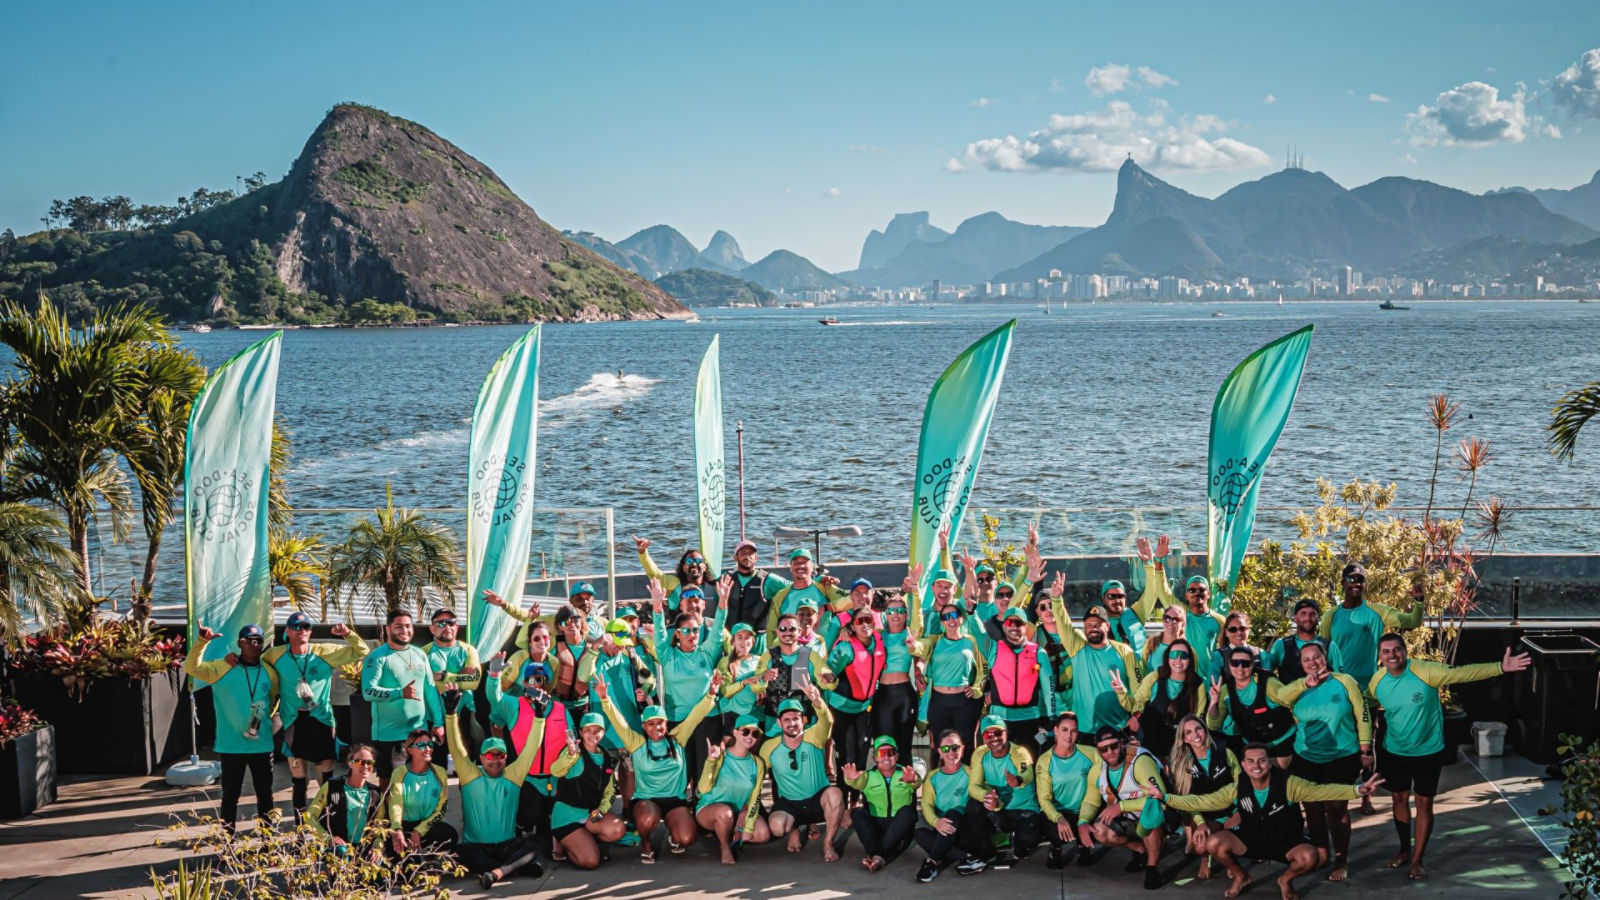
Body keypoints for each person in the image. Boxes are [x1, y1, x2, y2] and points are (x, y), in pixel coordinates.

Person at [1369, 636, 1531, 880]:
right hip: (1395, 751)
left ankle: (1417, 859)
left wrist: (1500, 667)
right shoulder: (1377, 681)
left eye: (1397, 650)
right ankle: (1404, 850)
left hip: (1428, 752)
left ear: (1405, 651)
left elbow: (1463, 673)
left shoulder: (1426, 671)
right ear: (1380, 656)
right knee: (1398, 800)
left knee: (1423, 804)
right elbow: (1362, 700)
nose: (1392, 655)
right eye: (1385, 651)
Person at [1153, 743, 1384, 900]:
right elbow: (1202, 801)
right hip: (1250, 840)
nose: (1256, 765)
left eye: (1262, 760)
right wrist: (1165, 797)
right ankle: (1242, 876)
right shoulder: (1236, 788)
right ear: (1243, 765)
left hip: (1285, 841)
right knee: (1213, 844)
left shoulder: (1289, 784)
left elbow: (1321, 791)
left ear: (1269, 763)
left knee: (1311, 857)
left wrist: (1357, 790)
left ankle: (1286, 879)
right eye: (1251, 761)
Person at [595, 667, 719, 863]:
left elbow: (695, 715)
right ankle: (646, 843)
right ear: (644, 726)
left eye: (660, 723)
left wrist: (711, 694)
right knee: (646, 819)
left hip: (675, 799)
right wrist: (605, 699)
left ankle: (673, 833)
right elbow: (619, 723)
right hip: (646, 799)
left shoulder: (678, 738)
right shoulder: (637, 743)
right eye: (651, 724)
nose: (656, 728)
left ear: (666, 724)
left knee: (687, 838)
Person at [1276, 642, 1371, 882]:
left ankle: (1341, 858)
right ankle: (1321, 853)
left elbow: (1363, 713)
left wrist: (1365, 747)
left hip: (1342, 755)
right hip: (1307, 757)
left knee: (1335, 808)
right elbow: (1280, 697)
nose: (1312, 663)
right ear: (1301, 664)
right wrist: (1304, 684)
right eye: (1306, 659)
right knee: (1313, 809)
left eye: (1316, 657)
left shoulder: (1344, 681)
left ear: (1325, 658)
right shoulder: (1299, 688)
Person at [262, 613, 368, 821]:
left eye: (306, 626)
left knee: (326, 779)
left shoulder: (324, 652)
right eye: (297, 626)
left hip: (321, 720)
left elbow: (361, 651)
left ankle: (330, 827)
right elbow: (258, 665)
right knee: (299, 780)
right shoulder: (275, 655)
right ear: (288, 631)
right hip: (293, 722)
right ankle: (301, 831)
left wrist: (348, 634)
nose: (302, 630)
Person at [443, 694, 546, 889]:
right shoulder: (469, 774)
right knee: (458, 854)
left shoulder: (512, 775)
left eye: (500, 755)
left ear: (506, 758)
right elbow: (457, 749)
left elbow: (532, 748)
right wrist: (451, 714)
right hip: (476, 848)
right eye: (490, 755)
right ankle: (513, 868)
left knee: (538, 843)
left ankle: (497, 873)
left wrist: (539, 716)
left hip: (506, 846)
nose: (495, 759)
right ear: (481, 758)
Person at [186, 624, 280, 831]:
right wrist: (202, 642)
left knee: (265, 795)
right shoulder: (223, 667)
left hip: (261, 746)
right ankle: (227, 845)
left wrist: (263, 720)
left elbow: (274, 699)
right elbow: (191, 668)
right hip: (231, 746)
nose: (253, 645)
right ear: (239, 643)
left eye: (258, 641)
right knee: (230, 797)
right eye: (248, 640)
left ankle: (268, 842)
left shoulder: (269, 672)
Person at [647, 576, 728, 779]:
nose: (692, 634)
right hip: (678, 719)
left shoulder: (707, 653)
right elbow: (659, 634)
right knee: (683, 769)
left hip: (707, 719)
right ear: (677, 634)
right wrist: (657, 606)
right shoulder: (668, 656)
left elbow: (717, 631)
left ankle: (703, 806)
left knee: (706, 769)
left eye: (695, 630)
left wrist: (723, 602)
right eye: (686, 630)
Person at [485, 659, 569, 843]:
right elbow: (494, 696)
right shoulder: (514, 705)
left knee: (548, 836)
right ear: (524, 683)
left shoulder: (561, 709)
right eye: (532, 680)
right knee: (529, 814)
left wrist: (572, 754)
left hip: (555, 780)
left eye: (542, 680)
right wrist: (493, 675)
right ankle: (519, 827)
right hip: (527, 779)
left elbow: (573, 741)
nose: (537, 684)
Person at [1046, 576, 1142, 737]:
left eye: (1098, 624)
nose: (1093, 628)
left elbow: (1138, 689)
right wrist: (1056, 599)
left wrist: (1136, 715)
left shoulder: (1125, 651)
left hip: (1119, 729)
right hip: (1085, 730)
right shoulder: (1078, 648)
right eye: (1089, 625)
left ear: (1107, 626)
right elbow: (1064, 625)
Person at [759, 685, 846, 861]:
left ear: (803, 720)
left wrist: (817, 701)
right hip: (791, 804)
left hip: (816, 800)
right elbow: (756, 774)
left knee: (835, 794)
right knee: (776, 826)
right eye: (787, 719)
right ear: (779, 723)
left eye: (796, 719)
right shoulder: (769, 747)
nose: (792, 723)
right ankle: (795, 830)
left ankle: (828, 843)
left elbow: (827, 722)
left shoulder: (813, 736)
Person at [362, 610, 443, 789]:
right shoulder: (377, 657)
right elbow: (368, 692)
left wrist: (438, 722)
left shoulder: (419, 653)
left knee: (419, 782)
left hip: (418, 733)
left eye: (408, 626)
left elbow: (430, 690)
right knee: (390, 786)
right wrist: (399, 693)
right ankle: (388, 817)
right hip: (389, 736)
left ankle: (415, 817)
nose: (404, 630)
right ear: (388, 628)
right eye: (398, 626)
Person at [955, 715, 1044, 874]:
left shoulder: (1019, 752)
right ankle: (987, 851)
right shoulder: (980, 753)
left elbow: (1027, 772)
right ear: (983, 737)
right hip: (998, 808)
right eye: (988, 735)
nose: (994, 738)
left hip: (1022, 809)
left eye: (998, 732)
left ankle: (1015, 837)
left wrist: (1017, 780)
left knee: (1027, 844)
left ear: (1006, 732)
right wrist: (987, 797)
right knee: (973, 807)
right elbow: (974, 786)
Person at [1086, 726, 1167, 890]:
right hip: (1130, 818)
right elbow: (1090, 801)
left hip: (1160, 814)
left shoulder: (1140, 760)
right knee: (1099, 830)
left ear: (1122, 743)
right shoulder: (1097, 770)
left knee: (1148, 817)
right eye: (1103, 749)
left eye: (1114, 746)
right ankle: (1140, 849)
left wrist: (1121, 806)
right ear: (1098, 750)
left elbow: (1159, 796)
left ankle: (1152, 869)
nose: (1109, 752)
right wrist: (1081, 821)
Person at [1319, 562, 1425, 686]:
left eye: (1360, 579)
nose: (1356, 583)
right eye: (1351, 579)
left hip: (1368, 688)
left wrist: (1419, 601)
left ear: (1365, 584)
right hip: (1340, 687)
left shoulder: (1378, 612)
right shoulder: (1330, 616)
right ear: (1343, 583)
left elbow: (1413, 621)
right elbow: (1323, 652)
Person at [548, 713, 627, 869]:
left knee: (618, 829)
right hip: (567, 819)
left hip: (589, 816)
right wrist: (570, 755)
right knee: (590, 862)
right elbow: (555, 771)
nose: (593, 734)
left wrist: (602, 810)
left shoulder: (605, 757)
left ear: (603, 732)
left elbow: (610, 792)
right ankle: (563, 842)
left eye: (597, 730)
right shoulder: (573, 753)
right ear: (581, 732)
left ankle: (587, 840)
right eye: (588, 730)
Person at [1164, 715, 1239, 880]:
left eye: (1198, 728)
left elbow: (1241, 786)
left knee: (1236, 836)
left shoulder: (1224, 752)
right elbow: (1186, 800)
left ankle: (1231, 861)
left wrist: (1239, 813)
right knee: (1199, 846)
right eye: (1188, 732)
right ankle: (1205, 858)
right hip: (1206, 814)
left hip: (1232, 810)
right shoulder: (1183, 764)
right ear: (1184, 739)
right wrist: (1200, 823)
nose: (1195, 734)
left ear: (1205, 730)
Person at [825, 606, 887, 801]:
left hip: (863, 708)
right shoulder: (845, 647)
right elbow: (828, 673)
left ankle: (855, 800)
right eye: (860, 621)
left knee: (861, 754)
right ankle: (843, 800)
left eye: (868, 620)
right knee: (847, 756)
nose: (865, 624)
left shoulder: (879, 641)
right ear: (852, 625)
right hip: (841, 708)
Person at [915, 601, 987, 764]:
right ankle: (934, 784)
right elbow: (919, 647)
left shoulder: (972, 641)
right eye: (946, 617)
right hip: (939, 702)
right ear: (941, 622)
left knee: (966, 745)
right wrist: (913, 644)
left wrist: (976, 689)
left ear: (961, 618)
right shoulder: (935, 640)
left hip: (964, 702)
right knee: (938, 746)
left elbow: (984, 670)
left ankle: (969, 784)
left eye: (954, 615)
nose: (950, 620)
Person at [696, 714, 773, 864]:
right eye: (745, 731)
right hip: (710, 809)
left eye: (755, 733)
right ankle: (725, 847)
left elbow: (755, 797)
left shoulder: (758, 763)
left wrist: (747, 826)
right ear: (735, 732)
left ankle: (734, 835)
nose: (750, 736)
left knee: (762, 834)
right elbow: (703, 788)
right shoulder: (720, 756)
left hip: (738, 812)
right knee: (725, 812)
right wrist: (711, 761)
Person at [1111, 637, 1202, 758]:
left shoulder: (1197, 685)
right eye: (1174, 655)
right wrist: (1121, 692)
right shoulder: (1154, 677)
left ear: (1190, 659)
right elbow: (1135, 705)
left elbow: (1199, 719)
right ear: (1167, 658)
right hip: (1150, 742)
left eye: (1184, 655)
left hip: (1179, 747)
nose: (1178, 659)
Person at [984, 607, 1057, 756]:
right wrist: (971, 613)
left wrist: (1052, 716)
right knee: (1001, 760)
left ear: (1025, 627)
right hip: (1000, 719)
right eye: (1010, 622)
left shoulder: (1038, 652)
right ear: (1004, 626)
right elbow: (977, 632)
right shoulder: (994, 649)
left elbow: (1049, 687)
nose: (1014, 627)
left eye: (1019, 623)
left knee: (1030, 761)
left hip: (1029, 719)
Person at [843, 736, 922, 872]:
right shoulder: (867, 776)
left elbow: (916, 782)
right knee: (857, 812)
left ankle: (875, 854)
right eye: (881, 753)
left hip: (900, 831)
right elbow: (856, 782)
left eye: (890, 753)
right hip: (876, 829)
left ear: (896, 756)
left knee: (908, 813)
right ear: (875, 758)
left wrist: (912, 780)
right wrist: (850, 779)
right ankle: (879, 856)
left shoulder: (906, 773)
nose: (886, 757)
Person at [1208, 645, 1297, 764]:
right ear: (1229, 665)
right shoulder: (1224, 691)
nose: (1240, 667)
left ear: (1252, 665)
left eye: (1245, 663)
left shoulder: (1268, 683)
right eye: (1235, 662)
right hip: (1254, 745)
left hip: (1281, 740)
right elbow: (1213, 725)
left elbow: (1289, 699)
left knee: (1280, 773)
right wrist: (1213, 702)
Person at [577, 617, 655, 753]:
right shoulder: (593, 656)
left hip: (630, 726)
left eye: (623, 643)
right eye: (617, 643)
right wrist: (595, 646)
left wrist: (645, 690)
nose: (620, 647)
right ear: (606, 638)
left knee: (631, 771)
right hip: (603, 730)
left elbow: (650, 678)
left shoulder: (629, 654)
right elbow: (583, 677)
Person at [1035, 713, 1101, 869]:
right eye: (1064, 730)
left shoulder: (1091, 753)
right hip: (1060, 813)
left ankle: (1082, 845)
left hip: (1085, 811)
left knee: (1101, 831)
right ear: (1056, 730)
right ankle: (1055, 847)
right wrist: (1058, 818)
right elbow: (1043, 799)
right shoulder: (1045, 760)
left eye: (1074, 731)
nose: (1069, 735)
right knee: (1050, 831)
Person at [419, 608, 480, 774]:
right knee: (436, 769)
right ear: (432, 628)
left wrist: (445, 676)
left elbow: (473, 682)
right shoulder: (423, 653)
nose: (447, 626)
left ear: (457, 627)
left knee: (467, 769)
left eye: (451, 622)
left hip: (463, 717)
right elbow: (425, 686)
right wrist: (461, 675)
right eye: (441, 623)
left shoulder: (468, 650)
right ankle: (441, 801)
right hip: (434, 719)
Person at [384, 728, 457, 857]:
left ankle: (428, 858)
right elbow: (396, 804)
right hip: (404, 825)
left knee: (449, 835)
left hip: (427, 826)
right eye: (422, 745)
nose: (428, 749)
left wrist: (419, 831)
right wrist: (397, 829)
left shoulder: (440, 772)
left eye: (430, 744)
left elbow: (441, 809)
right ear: (410, 749)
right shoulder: (399, 773)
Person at [913, 729, 974, 883]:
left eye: (955, 747)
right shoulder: (932, 777)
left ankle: (932, 862)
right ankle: (965, 857)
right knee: (919, 833)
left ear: (962, 749)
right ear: (939, 751)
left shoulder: (971, 773)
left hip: (964, 830)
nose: (951, 752)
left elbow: (981, 795)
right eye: (946, 748)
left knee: (953, 813)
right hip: (942, 830)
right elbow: (926, 805)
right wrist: (936, 822)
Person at [875, 577, 925, 761]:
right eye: (891, 611)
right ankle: (886, 787)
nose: (896, 615)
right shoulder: (878, 635)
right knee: (884, 746)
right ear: (885, 614)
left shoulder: (910, 632)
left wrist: (915, 590)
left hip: (904, 694)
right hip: (883, 695)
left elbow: (918, 614)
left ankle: (908, 788)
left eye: (900, 611)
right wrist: (846, 630)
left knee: (904, 746)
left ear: (906, 614)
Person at [308, 742, 385, 855]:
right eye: (360, 762)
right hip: (338, 848)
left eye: (369, 762)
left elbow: (381, 825)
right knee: (342, 853)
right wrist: (327, 838)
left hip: (364, 848)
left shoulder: (376, 793)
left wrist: (377, 848)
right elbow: (310, 816)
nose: (365, 766)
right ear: (350, 763)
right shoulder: (331, 786)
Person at [761, 611, 834, 726]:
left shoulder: (811, 655)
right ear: (777, 631)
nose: (787, 632)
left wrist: (830, 680)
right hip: (775, 720)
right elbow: (756, 687)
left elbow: (828, 682)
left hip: (803, 719)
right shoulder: (768, 656)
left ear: (799, 632)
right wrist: (762, 678)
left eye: (792, 629)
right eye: (783, 629)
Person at [764, 548, 848, 643]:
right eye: (796, 563)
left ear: (812, 566)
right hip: (789, 651)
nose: (801, 566)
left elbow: (853, 599)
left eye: (805, 562)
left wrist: (828, 607)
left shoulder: (825, 587)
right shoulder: (781, 595)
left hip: (821, 650)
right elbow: (772, 630)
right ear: (790, 568)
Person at [726, 539, 789, 643]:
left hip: (758, 640)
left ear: (756, 558)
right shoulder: (727, 579)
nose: (747, 557)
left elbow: (795, 587)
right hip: (732, 639)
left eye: (751, 553)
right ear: (735, 557)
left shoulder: (767, 580)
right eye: (743, 553)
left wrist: (818, 581)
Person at [1264, 599, 1343, 682]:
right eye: (1303, 614)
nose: (1308, 618)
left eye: (1312, 614)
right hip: (1291, 694)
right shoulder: (1282, 645)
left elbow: (1340, 679)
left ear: (1317, 618)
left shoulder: (1330, 646)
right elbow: (1266, 675)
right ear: (1295, 618)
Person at [634, 536, 713, 612]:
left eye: (698, 561)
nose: (694, 564)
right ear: (684, 567)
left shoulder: (714, 586)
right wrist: (642, 552)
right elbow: (654, 573)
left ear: (704, 567)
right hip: (678, 622)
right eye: (689, 561)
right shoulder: (674, 583)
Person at [716, 623, 768, 734]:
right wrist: (744, 683)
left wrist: (763, 690)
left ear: (753, 641)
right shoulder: (725, 662)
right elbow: (725, 692)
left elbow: (764, 683)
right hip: (733, 713)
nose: (744, 641)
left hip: (755, 712)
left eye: (747, 637)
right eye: (739, 637)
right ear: (733, 641)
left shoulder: (760, 660)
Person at [1178, 575, 1229, 682]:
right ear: (1186, 595)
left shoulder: (1220, 620)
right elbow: (1164, 592)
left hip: (1212, 681)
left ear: (1209, 594)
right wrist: (1158, 562)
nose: (1197, 593)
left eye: (1201, 589)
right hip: (1187, 681)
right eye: (1192, 590)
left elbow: (1228, 651)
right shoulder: (1181, 617)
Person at [1208, 611, 1266, 679]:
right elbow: (1212, 685)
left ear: (1248, 630)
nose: (1239, 632)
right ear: (1226, 632)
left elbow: (1268, 681)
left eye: (1242, 628)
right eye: (1233, 629)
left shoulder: (1260, 653)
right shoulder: (1218, 656)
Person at [1141, 605, 1187, 673]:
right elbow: (1144, 672)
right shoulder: (1150, 645)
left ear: (1183, 624)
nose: (1170, 623)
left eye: (1175, 620)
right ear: (1163, 620)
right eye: (1167, 618)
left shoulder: (1187, 650)